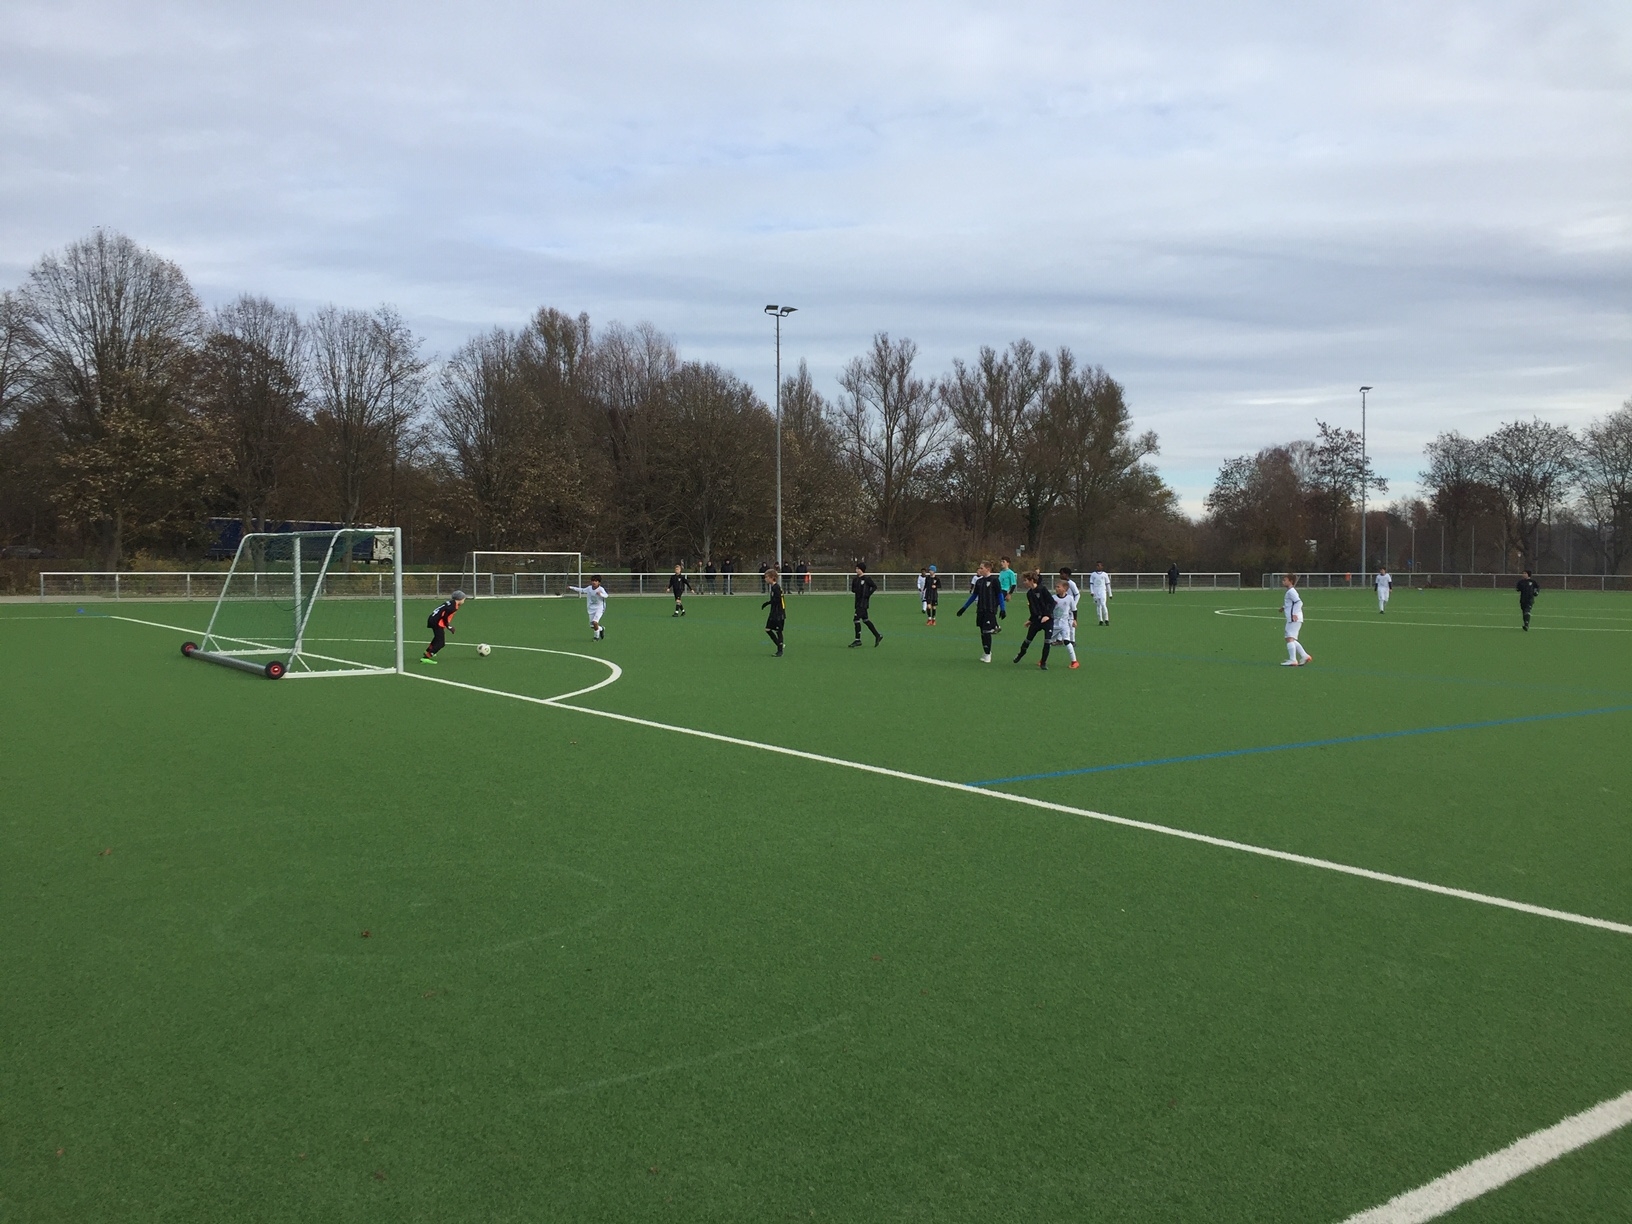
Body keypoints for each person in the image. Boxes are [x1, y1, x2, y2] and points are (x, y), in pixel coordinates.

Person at [956, 561, 1004, 662]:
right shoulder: (979, 582)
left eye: (982, 568)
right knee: (982, 632)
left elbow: (1000, 595)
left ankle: (988, 654)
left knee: (986, 631)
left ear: (988, 569)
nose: (980, 569)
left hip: (990, 610)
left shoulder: (994, 580)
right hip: (980, 610)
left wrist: (1003, 609)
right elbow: (974, 596)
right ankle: (986, 651)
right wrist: (964, 608)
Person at [1012, 571, 1053, 665]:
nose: (1024, 582)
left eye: (1025, 580)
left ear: (1031, 580)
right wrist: (1030, 620)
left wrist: (1047, 615)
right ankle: (1021, 654)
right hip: (1037, 620)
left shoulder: (1042, 589)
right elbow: (1033, 609)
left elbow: (1052, 602)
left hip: (1048, 620)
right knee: (1028, 639)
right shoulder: (1029, 593)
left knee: (1047, 641)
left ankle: (1043, 662)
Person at [1040, 577, 1079, 669]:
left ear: (1065, 589)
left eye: (1058, 587)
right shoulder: (1053, 598)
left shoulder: (1069, 598)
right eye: (1056, 587)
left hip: (1065, 625)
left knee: (1067, 641)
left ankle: (1074, 661)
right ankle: (1043, 660)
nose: (1056, 588)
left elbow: (1074, 610)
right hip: (1053, 625)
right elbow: (1047, 608)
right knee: (1048, 642)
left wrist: (1074, 620)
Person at [420, 590, 465, 664]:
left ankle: (427, 651)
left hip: (433, 619)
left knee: (437, 638)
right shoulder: (453, 607)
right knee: (441, 643)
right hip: (436, 622)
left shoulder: (450, 602)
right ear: (460, 599)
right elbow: (445, 617)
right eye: (463, 599)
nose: (464, 600)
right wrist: (449, 627)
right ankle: (426, 657)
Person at [848, 562, 883, 647]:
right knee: (865, 620)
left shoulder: (867, 579)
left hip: (863, 603)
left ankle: (858, 640)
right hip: (858, 602)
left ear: (862, 569)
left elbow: (874, 586)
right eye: (856, 568)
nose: (856, 570)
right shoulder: (855, 579)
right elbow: (853, 590)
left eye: (858, 569)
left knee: (856, 619)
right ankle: (877, 635)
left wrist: (868, 594)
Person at [1281, 573, 1310, 666]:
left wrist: (1294, 613)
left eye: (1285, 580)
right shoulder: (1290, 591)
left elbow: (1299, 602)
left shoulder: (1291, 592)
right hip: (1294, 618)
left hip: (1294, 618)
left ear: (1291, 581)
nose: (1283, 582)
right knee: (1290, 638)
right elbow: (1291, 603)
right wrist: (1284, 607)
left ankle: (1293, 660)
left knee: (1289, 638)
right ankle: (1304, 656)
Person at [568, 575, 609, 640]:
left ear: (599, 582)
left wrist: (600, 594)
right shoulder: (589, 588)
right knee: (592, 626)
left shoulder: (601, 589)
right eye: (593, 581)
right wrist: (571, 587)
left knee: (595, 622)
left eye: (596, 581)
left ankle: (596, 637)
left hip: (599, 608)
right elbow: (582, 590)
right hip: (591, 608)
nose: (594, 582)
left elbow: (606, 595)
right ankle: (601, 628)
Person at [762, 567, 786, 655]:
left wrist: (768, 602)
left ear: (772, 578)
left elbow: (778, 599)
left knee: (778, 631)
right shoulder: (773, 587)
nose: (765, 579)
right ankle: (779, 645)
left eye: (766, 577)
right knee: (767, 629)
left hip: (778, 613)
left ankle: (780, 651)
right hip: (774, 612)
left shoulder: (776, 588)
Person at [1058, 567, 1081, 632]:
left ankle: (1072, 638)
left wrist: (1074, 604)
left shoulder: (1071, 583)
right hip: (1063, 605)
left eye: (1062, 573)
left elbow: (1077, 594)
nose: (1060, 575)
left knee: (1071, 624)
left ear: (1066, 574)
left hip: (1070, 606)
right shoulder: (1060, 583)